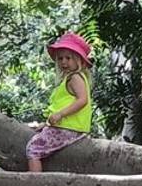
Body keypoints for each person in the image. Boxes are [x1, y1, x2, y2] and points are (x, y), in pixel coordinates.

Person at [25, 33, 94, 174]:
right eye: (60, 58)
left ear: (78, 60)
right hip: (68, 126)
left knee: (33, 149)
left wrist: (60, 114)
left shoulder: (75, 77)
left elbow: (82, 100)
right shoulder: (71, 78)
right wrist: (48, 124)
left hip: (69, 128)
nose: (64, 62)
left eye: (68, 58)